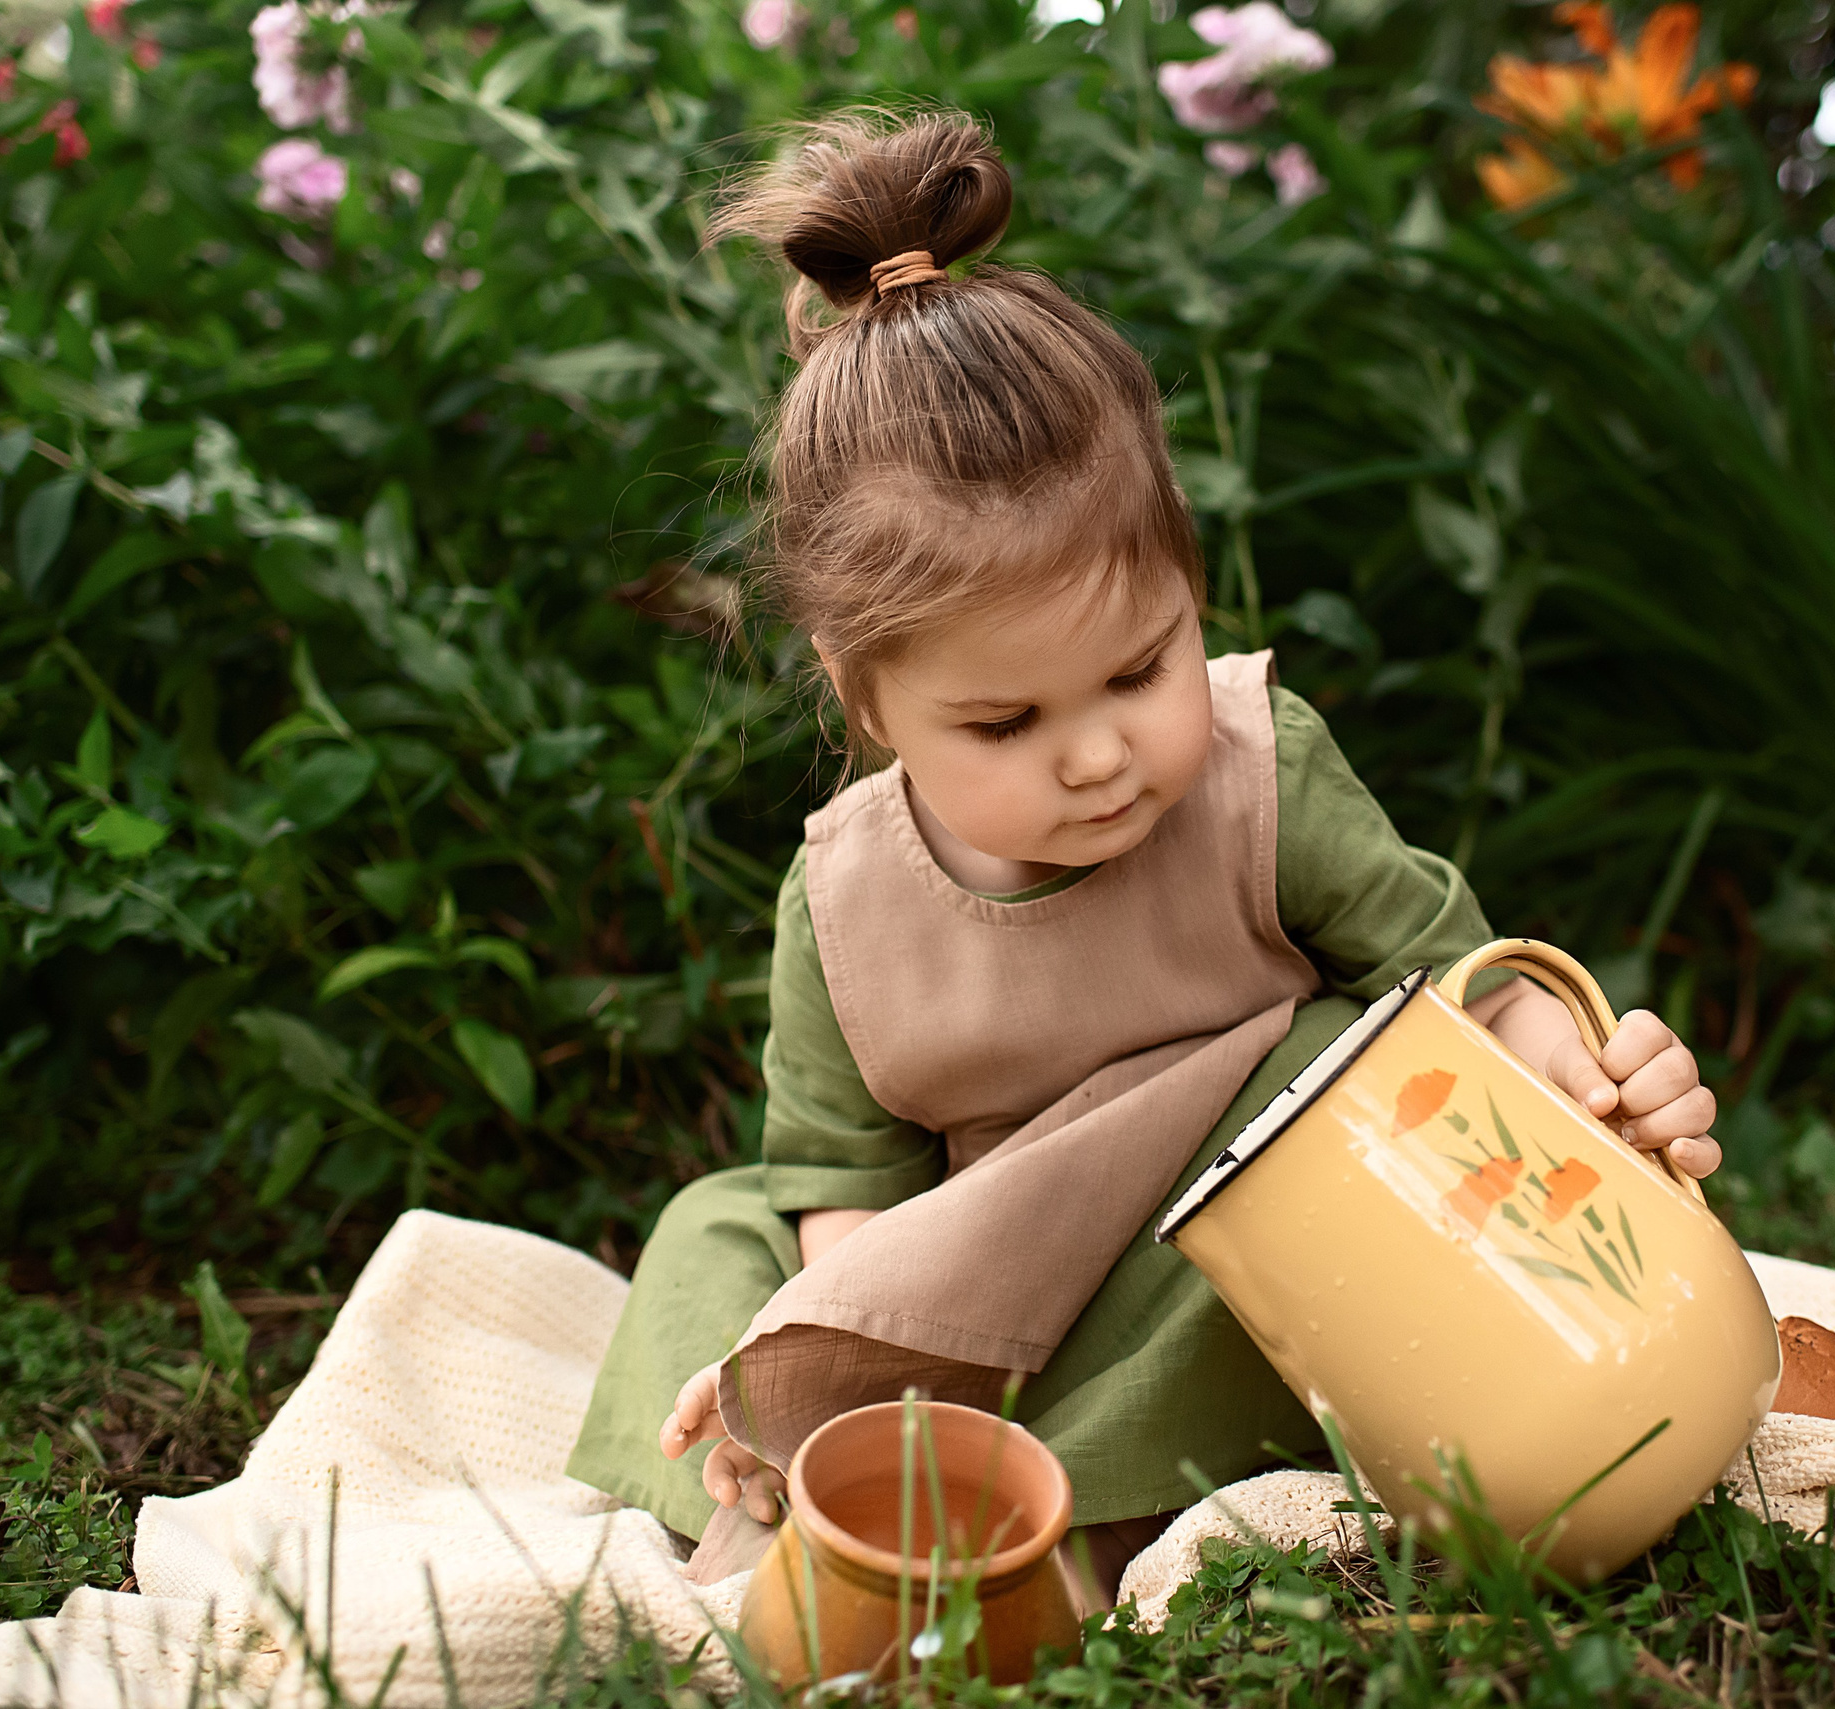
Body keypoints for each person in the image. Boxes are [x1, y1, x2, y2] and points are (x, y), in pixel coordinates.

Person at [564, 111, 1723, 1597]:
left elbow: (1460, 982)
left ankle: (1046, 1508)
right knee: (719, 1233)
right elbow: (847, 1190)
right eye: (1007, 719)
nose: (1101, 750)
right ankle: (822, 1469)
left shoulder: (1257, 775)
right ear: (874, 705)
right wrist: (839, 1356)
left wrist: (1578, 1072)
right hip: (980, 1286)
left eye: (1138, 670)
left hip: (1212, 1261)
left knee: (1323, 1112)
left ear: (1189, 584)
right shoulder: (845, 907)